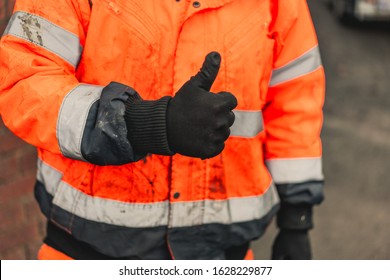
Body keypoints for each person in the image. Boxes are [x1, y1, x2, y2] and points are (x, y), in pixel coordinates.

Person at [0, 0, 325, 260]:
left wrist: (297, 216)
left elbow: (294, 99)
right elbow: (25, 82)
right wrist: (142, 123)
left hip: (223, 254)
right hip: (87, 249)